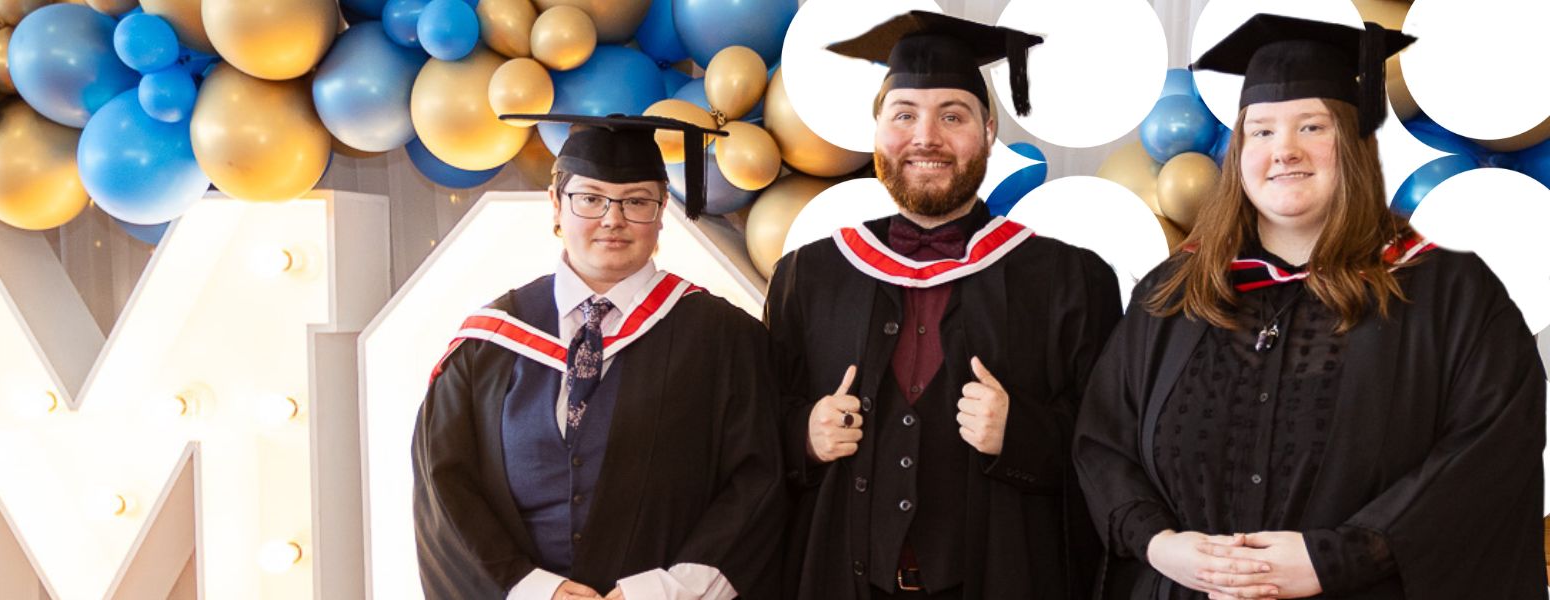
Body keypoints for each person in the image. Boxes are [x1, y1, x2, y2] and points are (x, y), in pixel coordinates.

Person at [1073, 14, 1546, 599]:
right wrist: (1159, 543)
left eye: (1312, 126)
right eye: (1262, 131)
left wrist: (1340, 556)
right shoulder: (1173, 295)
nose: (1284, 151)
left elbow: (1493, 450)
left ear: (1351, 142)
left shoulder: (1448, 293)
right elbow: (1103, 442)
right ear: (1239, 151)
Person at [766, 11, 1119, 599]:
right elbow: (747, 437)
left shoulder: (1070, 279)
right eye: (903, 115)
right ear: (876, 132)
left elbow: (1116, 452)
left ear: (987, 133)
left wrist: (1023, 434)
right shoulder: (808, 275)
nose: (925, 137)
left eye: (951, 116)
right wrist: (803, 435)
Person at [413, 114, 786, 600]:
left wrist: (665, 591)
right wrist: (531, 589)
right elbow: (443, 487)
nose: (613, 218)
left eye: (637, 202)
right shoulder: (488, 342)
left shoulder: (725, 339)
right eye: (590, 199)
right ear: (555, 205)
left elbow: (758, 483)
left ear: (661, 213)